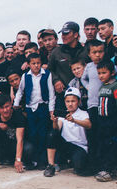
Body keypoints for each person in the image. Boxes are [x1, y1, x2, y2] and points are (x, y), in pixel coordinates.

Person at [14, 53, 56, 168]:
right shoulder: (25, 76)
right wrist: (16, 105)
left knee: (42, 134)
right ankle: (33, 160)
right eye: (33, 63)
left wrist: (51, 109)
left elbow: (51, 93)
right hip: (30, 109)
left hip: (43, 107)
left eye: (38, 63)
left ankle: (42, 161)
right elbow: (20, 92)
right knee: (32, 134)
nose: (36, 66)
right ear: (28, 65)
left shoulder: (47, 74)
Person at [44, 87, 91, 177]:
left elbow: (88, 124)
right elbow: (56, 129)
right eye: (68, 101)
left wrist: (74, 120)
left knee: (79, 168)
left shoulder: (83, 113)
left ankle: (70, 162)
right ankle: (50, 166)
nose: (70, 104)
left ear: (79, 101)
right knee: (51, 134)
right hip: (66, 145)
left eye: (73, 101)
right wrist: (54, 121)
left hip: (79, 146)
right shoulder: (64, 114)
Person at [0, 94, 33, 172]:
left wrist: (18, 159)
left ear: (11, 104)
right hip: (4, 145)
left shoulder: (18, 116)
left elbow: (20, 140)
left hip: (16, 144)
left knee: (29, 148)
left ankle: (24, 161)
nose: (5, 110)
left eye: (7, 106)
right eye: (2, 108)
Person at [48, 21, 87, 110]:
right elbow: (49, 70)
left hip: (84, 96)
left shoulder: (85, 51)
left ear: (76, 34)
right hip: (63, 96)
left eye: (66, 33)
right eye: (62, 34)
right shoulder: (56, 52)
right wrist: (56, 80)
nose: (63, 36)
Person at [81, 40, 107, 169]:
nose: (98, 55)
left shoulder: (108, 66)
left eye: (100, 52)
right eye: (94, 52)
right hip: (92, 105)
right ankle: (93, 165)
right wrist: (89, 87)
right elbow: (83, 78)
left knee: (104, 135)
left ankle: (105, 165)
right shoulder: (89, 67)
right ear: (89, 54)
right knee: (92, 134)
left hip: (106, 106)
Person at [94, 60, 117, 181]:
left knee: (111, 146)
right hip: (101, 121)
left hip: (112, 122)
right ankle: (103, 168)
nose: (101, 76)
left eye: (104, 72)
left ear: (112, 73)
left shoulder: (115, 86)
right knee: (102, 145)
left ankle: (110, 170)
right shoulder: (102, 86)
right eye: (99, 73)